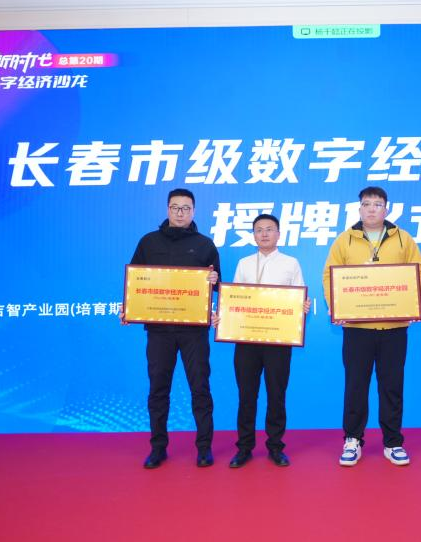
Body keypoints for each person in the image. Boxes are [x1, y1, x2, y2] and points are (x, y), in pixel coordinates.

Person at [321, 186, 421, 467]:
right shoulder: (345, 240)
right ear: (359, 209)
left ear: (386, 209)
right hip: (357, 329)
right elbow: (329, 275)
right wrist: (336, 306)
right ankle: (352, 440)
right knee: (355, 385)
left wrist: (414, 301)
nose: (372, 209)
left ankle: (393, 442)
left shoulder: (403, 238)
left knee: (392, 386)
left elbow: (420, 270)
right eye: (367, 204)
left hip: (394, 328)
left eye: (377, 204)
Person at [128, 188, 221, 469]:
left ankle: (204, 448)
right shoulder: (148, 242)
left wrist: (214, 280)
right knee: (158, 389)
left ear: (194, 211)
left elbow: (218, 285)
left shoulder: (205, 245)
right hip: (159, 330)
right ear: (168, 209)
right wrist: (129, 308)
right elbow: (136, 281)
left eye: (186, 208)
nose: (180, 213)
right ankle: (158, 448)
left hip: (194, 331)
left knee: (200, 388)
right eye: (175, 207)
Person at [219, 214, 309, 468]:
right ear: (254, 235)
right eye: (259, 230)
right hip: (247, 340)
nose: (265, 234)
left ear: (279, 234)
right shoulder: (244, 263)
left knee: (276, 395)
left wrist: (302, 307)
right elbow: (234, 299)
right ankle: (244, 447)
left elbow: (299, 299)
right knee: (247, 395)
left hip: (278, 341)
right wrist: (224, 315)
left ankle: (276, 447)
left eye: (270, 229)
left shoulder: (291, 263)